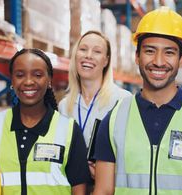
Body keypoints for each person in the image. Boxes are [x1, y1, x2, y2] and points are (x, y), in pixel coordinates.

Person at [94, 6, 182, 195]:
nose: (159, 61)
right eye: (150, 51)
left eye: (169, 52)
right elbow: (103, 191)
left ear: (181, 59)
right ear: (137, 56)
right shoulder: (115, 118)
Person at [0, 48, 90, 195]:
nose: (28, 81)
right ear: (12, 81)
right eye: (20, 75)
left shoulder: (68, 130)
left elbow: (79, 190)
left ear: (49, 80)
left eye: (38, 75)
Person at [58, 30, 131, 177]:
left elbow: (130, 154)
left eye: (97, 51)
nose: (88, 55)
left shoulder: (122, 100)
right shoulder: (65, 106)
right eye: (83, 49)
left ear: (106, 60)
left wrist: (105, 171)